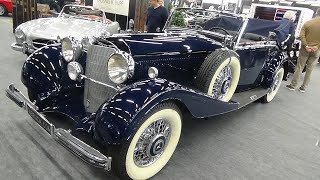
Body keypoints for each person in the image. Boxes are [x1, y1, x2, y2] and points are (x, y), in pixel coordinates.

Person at [286, 8, 320, 92]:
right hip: (316, 50)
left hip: (305, 49)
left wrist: (306, 45)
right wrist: (317, 46)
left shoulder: (308, 23)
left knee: (299, 67)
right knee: (310, 69)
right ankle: (303, 87)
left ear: (316, 12)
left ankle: (293, 86)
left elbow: (302, 36)